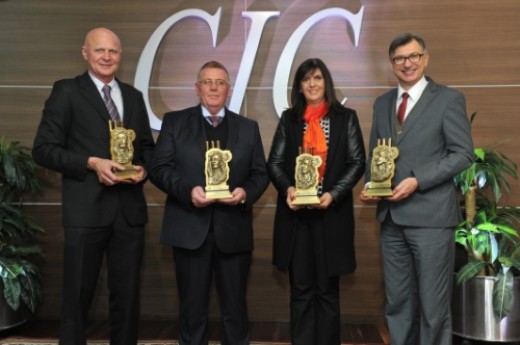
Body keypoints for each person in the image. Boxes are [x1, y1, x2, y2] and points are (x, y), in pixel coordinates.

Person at [32, 27, 155, 345]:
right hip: (86, 210)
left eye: (113, 51)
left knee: (127, 299)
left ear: (120, 56)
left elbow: (147, 148)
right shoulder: (67, 91)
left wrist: (144, 169)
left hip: (129, 212)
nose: (107, 57)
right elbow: (43, 149)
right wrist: (91, 162)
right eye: (100, 50)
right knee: (76, 297)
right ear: (85, 53)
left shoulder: (133, 96)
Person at [360, 33, 474, 345]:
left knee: (433, 309)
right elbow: (376, 155)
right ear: (391, 64)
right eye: (400, 58)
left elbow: (463, 154)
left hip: (431, 221)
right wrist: (371, 184)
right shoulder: (382, 104)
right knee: (397, 305)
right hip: (391, 220)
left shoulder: (449, 99)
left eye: (413, 56)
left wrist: (418, 179)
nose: (407, 63)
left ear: (425, 58)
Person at [149, 60, 270, 345]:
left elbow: (260, 174)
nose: (213, 88)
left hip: (233, 230)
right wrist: (188, 191)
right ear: (197, 88)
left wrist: (244, 193)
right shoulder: (174, 122)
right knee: (192, 310)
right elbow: (159, 168)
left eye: (220, 83)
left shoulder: (248, 128)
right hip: (189, 228)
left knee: (235, 311)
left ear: (229, 90)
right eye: (207, 82)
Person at [267, 58, 366, 345]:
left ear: (327, 83)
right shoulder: (289, 119)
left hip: (331, 216)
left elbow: (357, 162)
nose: (312, 84)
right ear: (299, 85)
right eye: (306, 79)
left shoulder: (345, 118)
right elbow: (274, 163)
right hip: (296, 218)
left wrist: (333, 194)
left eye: (318, 78)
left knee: (327, 291)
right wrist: (289, 189)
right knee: (300, 291)